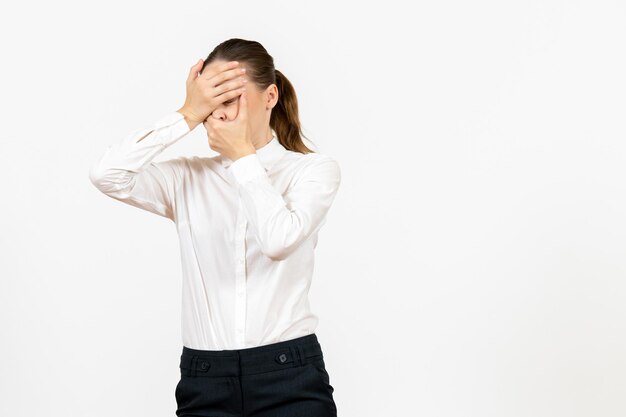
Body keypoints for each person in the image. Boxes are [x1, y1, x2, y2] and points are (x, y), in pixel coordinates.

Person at [88, 38, 341, 417]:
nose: (218, 114)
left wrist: (242, 156)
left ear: (270, 96)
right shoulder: (188, 178)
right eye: (210, 102)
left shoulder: (312, 171)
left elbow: (277, 240)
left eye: (230, 98)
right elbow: (107, 175)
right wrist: (186, 114)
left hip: (289, 375)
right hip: (205, 379)